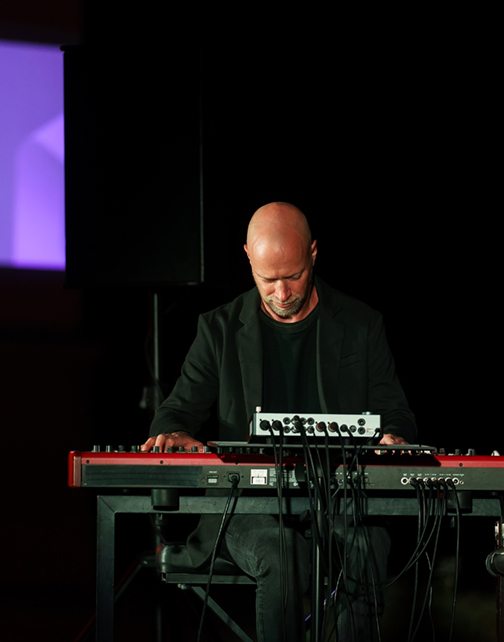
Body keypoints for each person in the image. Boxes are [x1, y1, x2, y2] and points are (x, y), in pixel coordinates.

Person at [142, 202, 416, 641]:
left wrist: (393, 437)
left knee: (364, 547)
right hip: (250, 509)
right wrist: (172, 432)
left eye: (293, 276)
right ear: (248, 256)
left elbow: (396, 413)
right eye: (268, 279)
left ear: (313, 253)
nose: (282, 293)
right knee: (281, 552)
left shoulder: (362, 325)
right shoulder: (219, 330)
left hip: (340, 501)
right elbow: (175, 412)